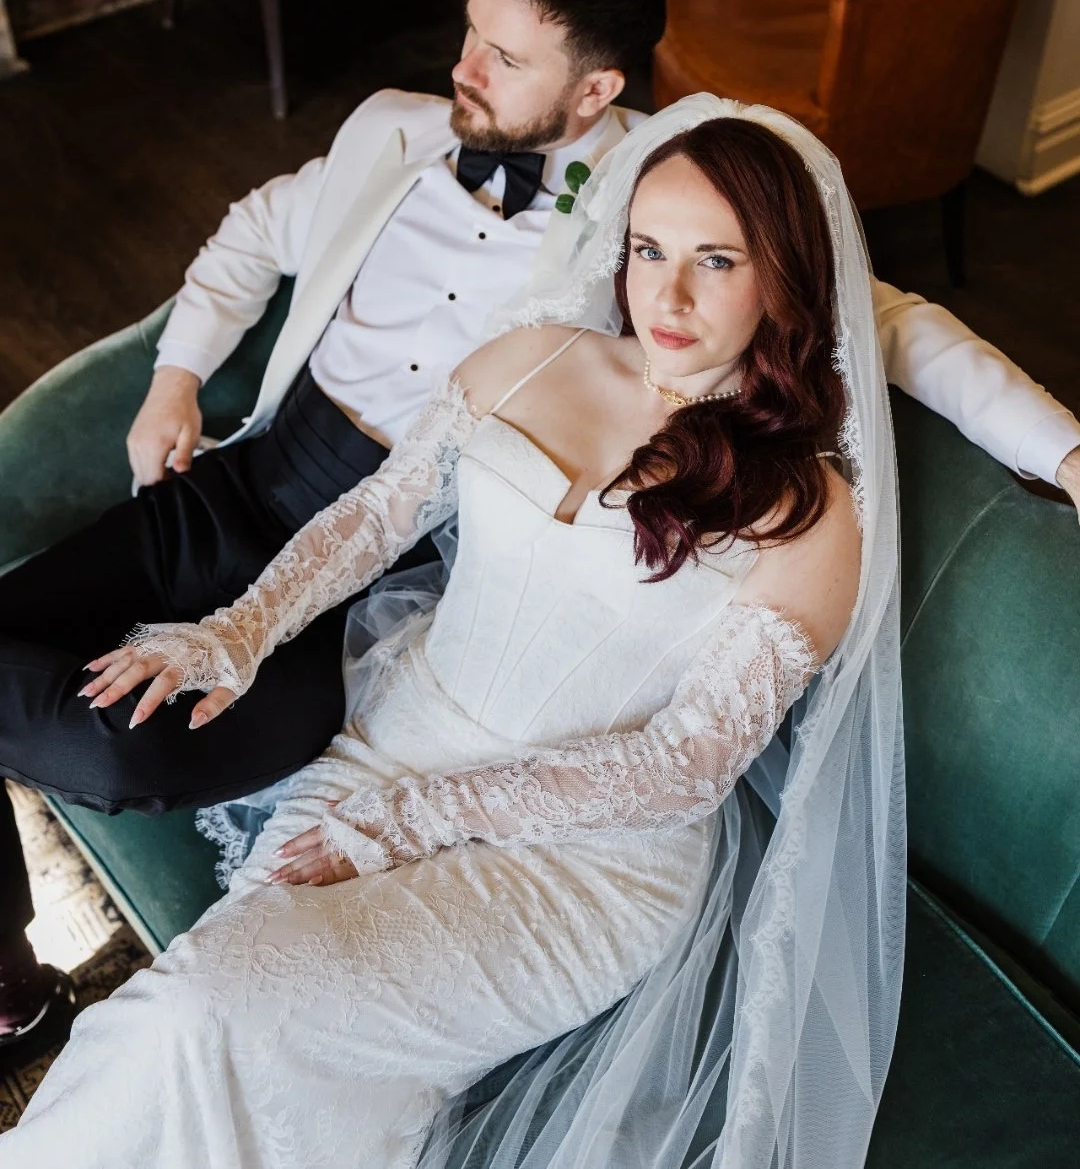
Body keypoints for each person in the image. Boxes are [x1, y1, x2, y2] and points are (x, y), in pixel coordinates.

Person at [0, 0, 1078, 1066]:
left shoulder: (666, 197)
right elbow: (257, 229)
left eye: (502, 56)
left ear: (597, 90)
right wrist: (176, 376)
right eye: (469, 32)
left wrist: (1067, 452)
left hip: (385, 566)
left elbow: (895, 328)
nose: (461, 66)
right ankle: (10, 983)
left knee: (125, 752)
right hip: (252, 474)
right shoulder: (394, 127)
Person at [1, 96, 900, 1169]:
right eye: (648, 248)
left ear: (783, 278)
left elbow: (688, 766)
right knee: (206, 1019)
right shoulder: (532, 357)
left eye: (716, 261)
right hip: (395, 743)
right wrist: (233, 635)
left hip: (586, 861)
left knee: (204, 1012)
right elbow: (380, 517)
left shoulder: (807, 512)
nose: (665, 293)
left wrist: (404, 827)